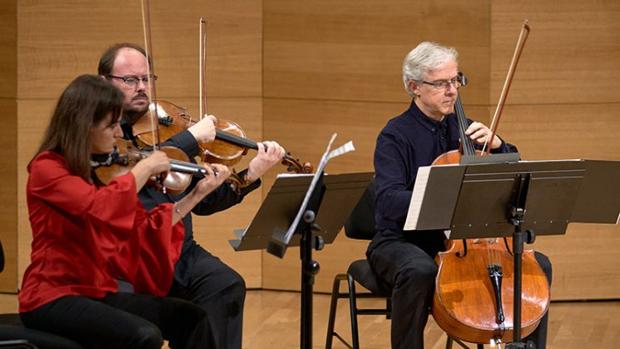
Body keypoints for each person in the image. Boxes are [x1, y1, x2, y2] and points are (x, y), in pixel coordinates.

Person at [19, 74, 231, 348]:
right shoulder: (47, 169)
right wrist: (143, 169)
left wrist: (196, 194)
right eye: (112, 125)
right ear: (85, 126)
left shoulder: (100, 171)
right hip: (52, 297)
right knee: (143, 335)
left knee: (192, 318)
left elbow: (143, 230)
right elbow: (98, 208)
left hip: (97, 291)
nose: (120, 133)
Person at [98, 43, 286, 349]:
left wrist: (251, 171)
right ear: (104, 82)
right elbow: (137, 182)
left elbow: (206, 201)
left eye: (147, 79)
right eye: (130, 80)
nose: (142, 87)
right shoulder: (100, 135)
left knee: (224, 285)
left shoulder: (160, 132)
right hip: (127, 257)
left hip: (177, 253)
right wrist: (189, 139)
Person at [367, 42, 552, 349]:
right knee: (420, 271)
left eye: (456, 80)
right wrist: (443, 197)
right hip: (404, 240)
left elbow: (510, 181)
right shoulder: (395, 135)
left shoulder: (466, 130)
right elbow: (387, 202)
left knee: (537, 266)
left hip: (467, 241)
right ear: (414, 87)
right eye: (441, 83)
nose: (452, 91)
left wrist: (499, 147)